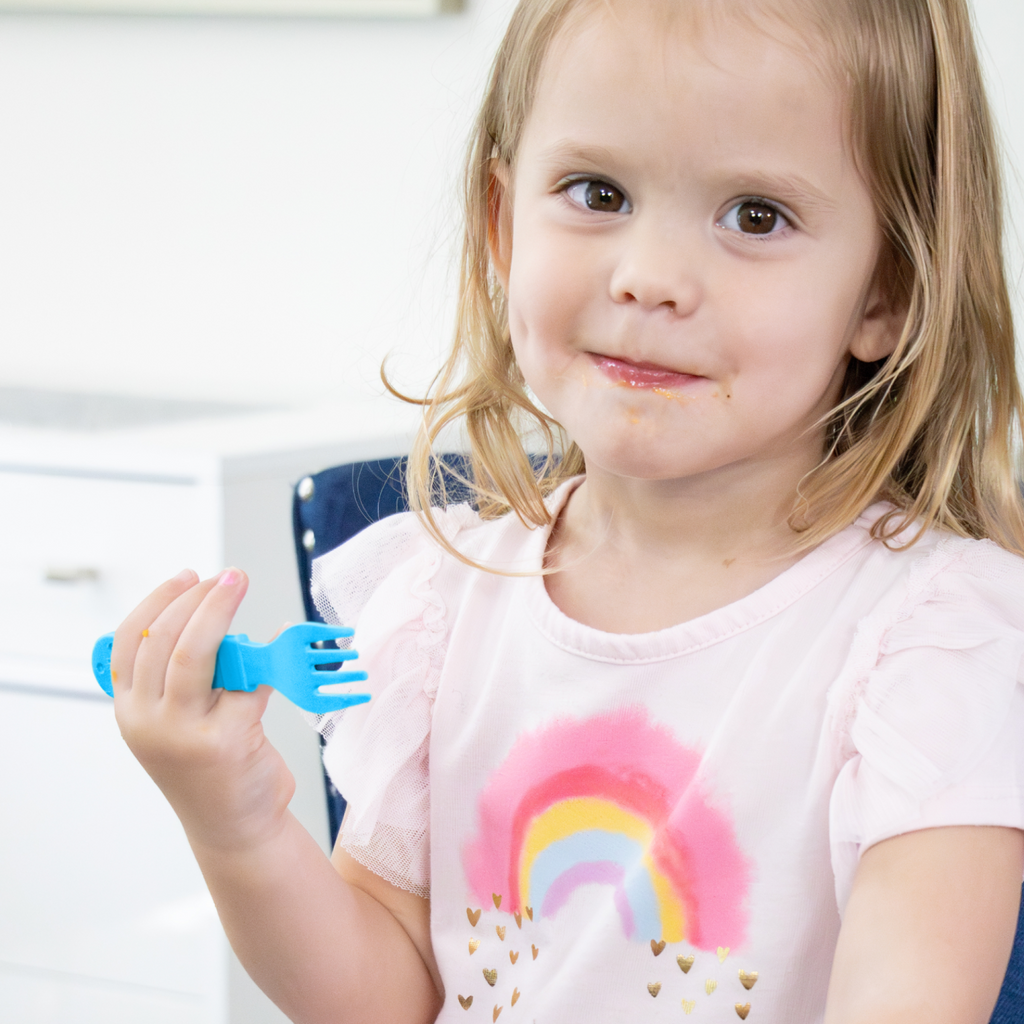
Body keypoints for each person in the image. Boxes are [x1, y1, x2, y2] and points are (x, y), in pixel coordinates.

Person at [109, 0, 1024, 1020]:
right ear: (503, 226)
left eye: (755, 215)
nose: (648, 279)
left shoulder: (933, 645)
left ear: (884, 292)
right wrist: (232, 817)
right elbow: (385, 999)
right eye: (597, 192)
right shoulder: (438, 604)